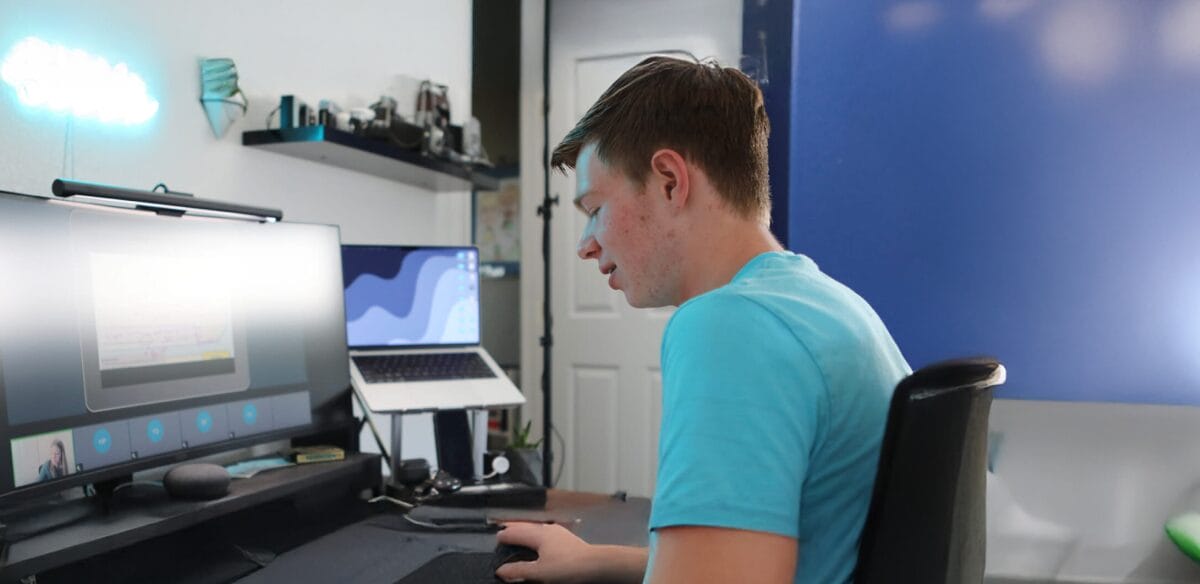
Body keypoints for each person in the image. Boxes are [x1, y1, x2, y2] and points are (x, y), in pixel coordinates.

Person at [495, 56, 911, 584]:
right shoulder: (827, 305)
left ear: (669, 181)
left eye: (595, 209)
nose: (585, 244)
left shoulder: (731, 326)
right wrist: (595, 560)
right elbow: (762, 559)